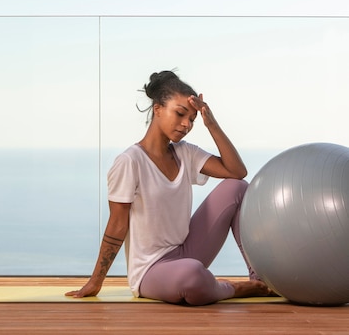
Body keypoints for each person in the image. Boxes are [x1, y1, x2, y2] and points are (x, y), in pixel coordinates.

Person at [66, 70, 272, 305]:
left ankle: (261, 280)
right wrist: (96, 281)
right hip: (153, 270)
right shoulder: (130, 161)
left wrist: (211, 123)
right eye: (180, 113)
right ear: (158, 109)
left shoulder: (186, 153)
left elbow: (237, 172)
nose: (186, 124)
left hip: (188, 251)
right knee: (193, 275)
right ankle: (235, 288)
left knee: (237, 187)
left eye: (192, 120)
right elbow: (117, 224)